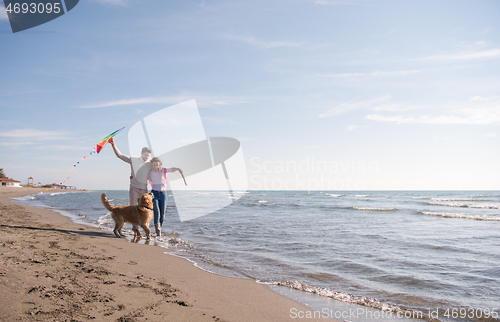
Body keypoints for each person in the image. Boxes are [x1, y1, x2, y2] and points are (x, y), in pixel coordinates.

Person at [109, 138, 152, 206]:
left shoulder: (149, 164)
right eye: (145, 155)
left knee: (144, 210)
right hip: (134, 188)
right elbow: (120, 155)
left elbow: (158, 170)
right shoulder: (134, 160)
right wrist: (113, 144)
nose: (147, 157)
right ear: (141, 153)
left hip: (144, 189)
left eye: (148, 156)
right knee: (133, 209)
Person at [148, 156, 184, 237]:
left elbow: (171, 169)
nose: (155, 166)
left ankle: (159, 228)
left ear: (159, 165)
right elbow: (142, 177)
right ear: (152, 165)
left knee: (162, 214)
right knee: (156, 212)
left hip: (163, 193)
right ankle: (158, 232)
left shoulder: (163, 170)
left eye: (157, 165)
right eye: (154, 165)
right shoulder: (150, 172)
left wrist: (178, 169)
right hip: (154, 193)